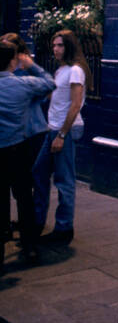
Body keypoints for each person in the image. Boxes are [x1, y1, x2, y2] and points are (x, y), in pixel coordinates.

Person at [0, 39, 55, 270]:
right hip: (18, 148)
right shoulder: (23, 84)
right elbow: (50, 83)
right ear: (13, 61)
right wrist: (31, 65)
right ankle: (30, 246)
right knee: (24, 197)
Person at [32, 29, 88, 245]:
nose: (55, 49)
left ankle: (64, 229)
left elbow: (75, 105)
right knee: (39, 172)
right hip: (52, 128)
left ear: (70, 46)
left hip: (64, 130)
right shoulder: (61, 70)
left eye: (60, 45)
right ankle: (36, 222)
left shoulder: (75, 71)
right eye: (54, 45)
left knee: (64, 180)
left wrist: (62, 135)